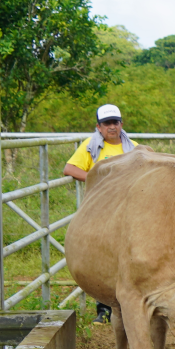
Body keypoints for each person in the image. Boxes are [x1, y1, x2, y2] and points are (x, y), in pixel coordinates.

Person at [64, 104, 136, 322]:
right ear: (99, 127)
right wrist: (98, 179)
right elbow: (70, 169)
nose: (112, 127)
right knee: (103, 256)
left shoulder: (135, 149)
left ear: (121, 124)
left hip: (129, 209)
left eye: (115, 122)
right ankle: (104, 308)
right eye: (107, 123)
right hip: (101, 210)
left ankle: (132, 301)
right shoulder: (91, 147)